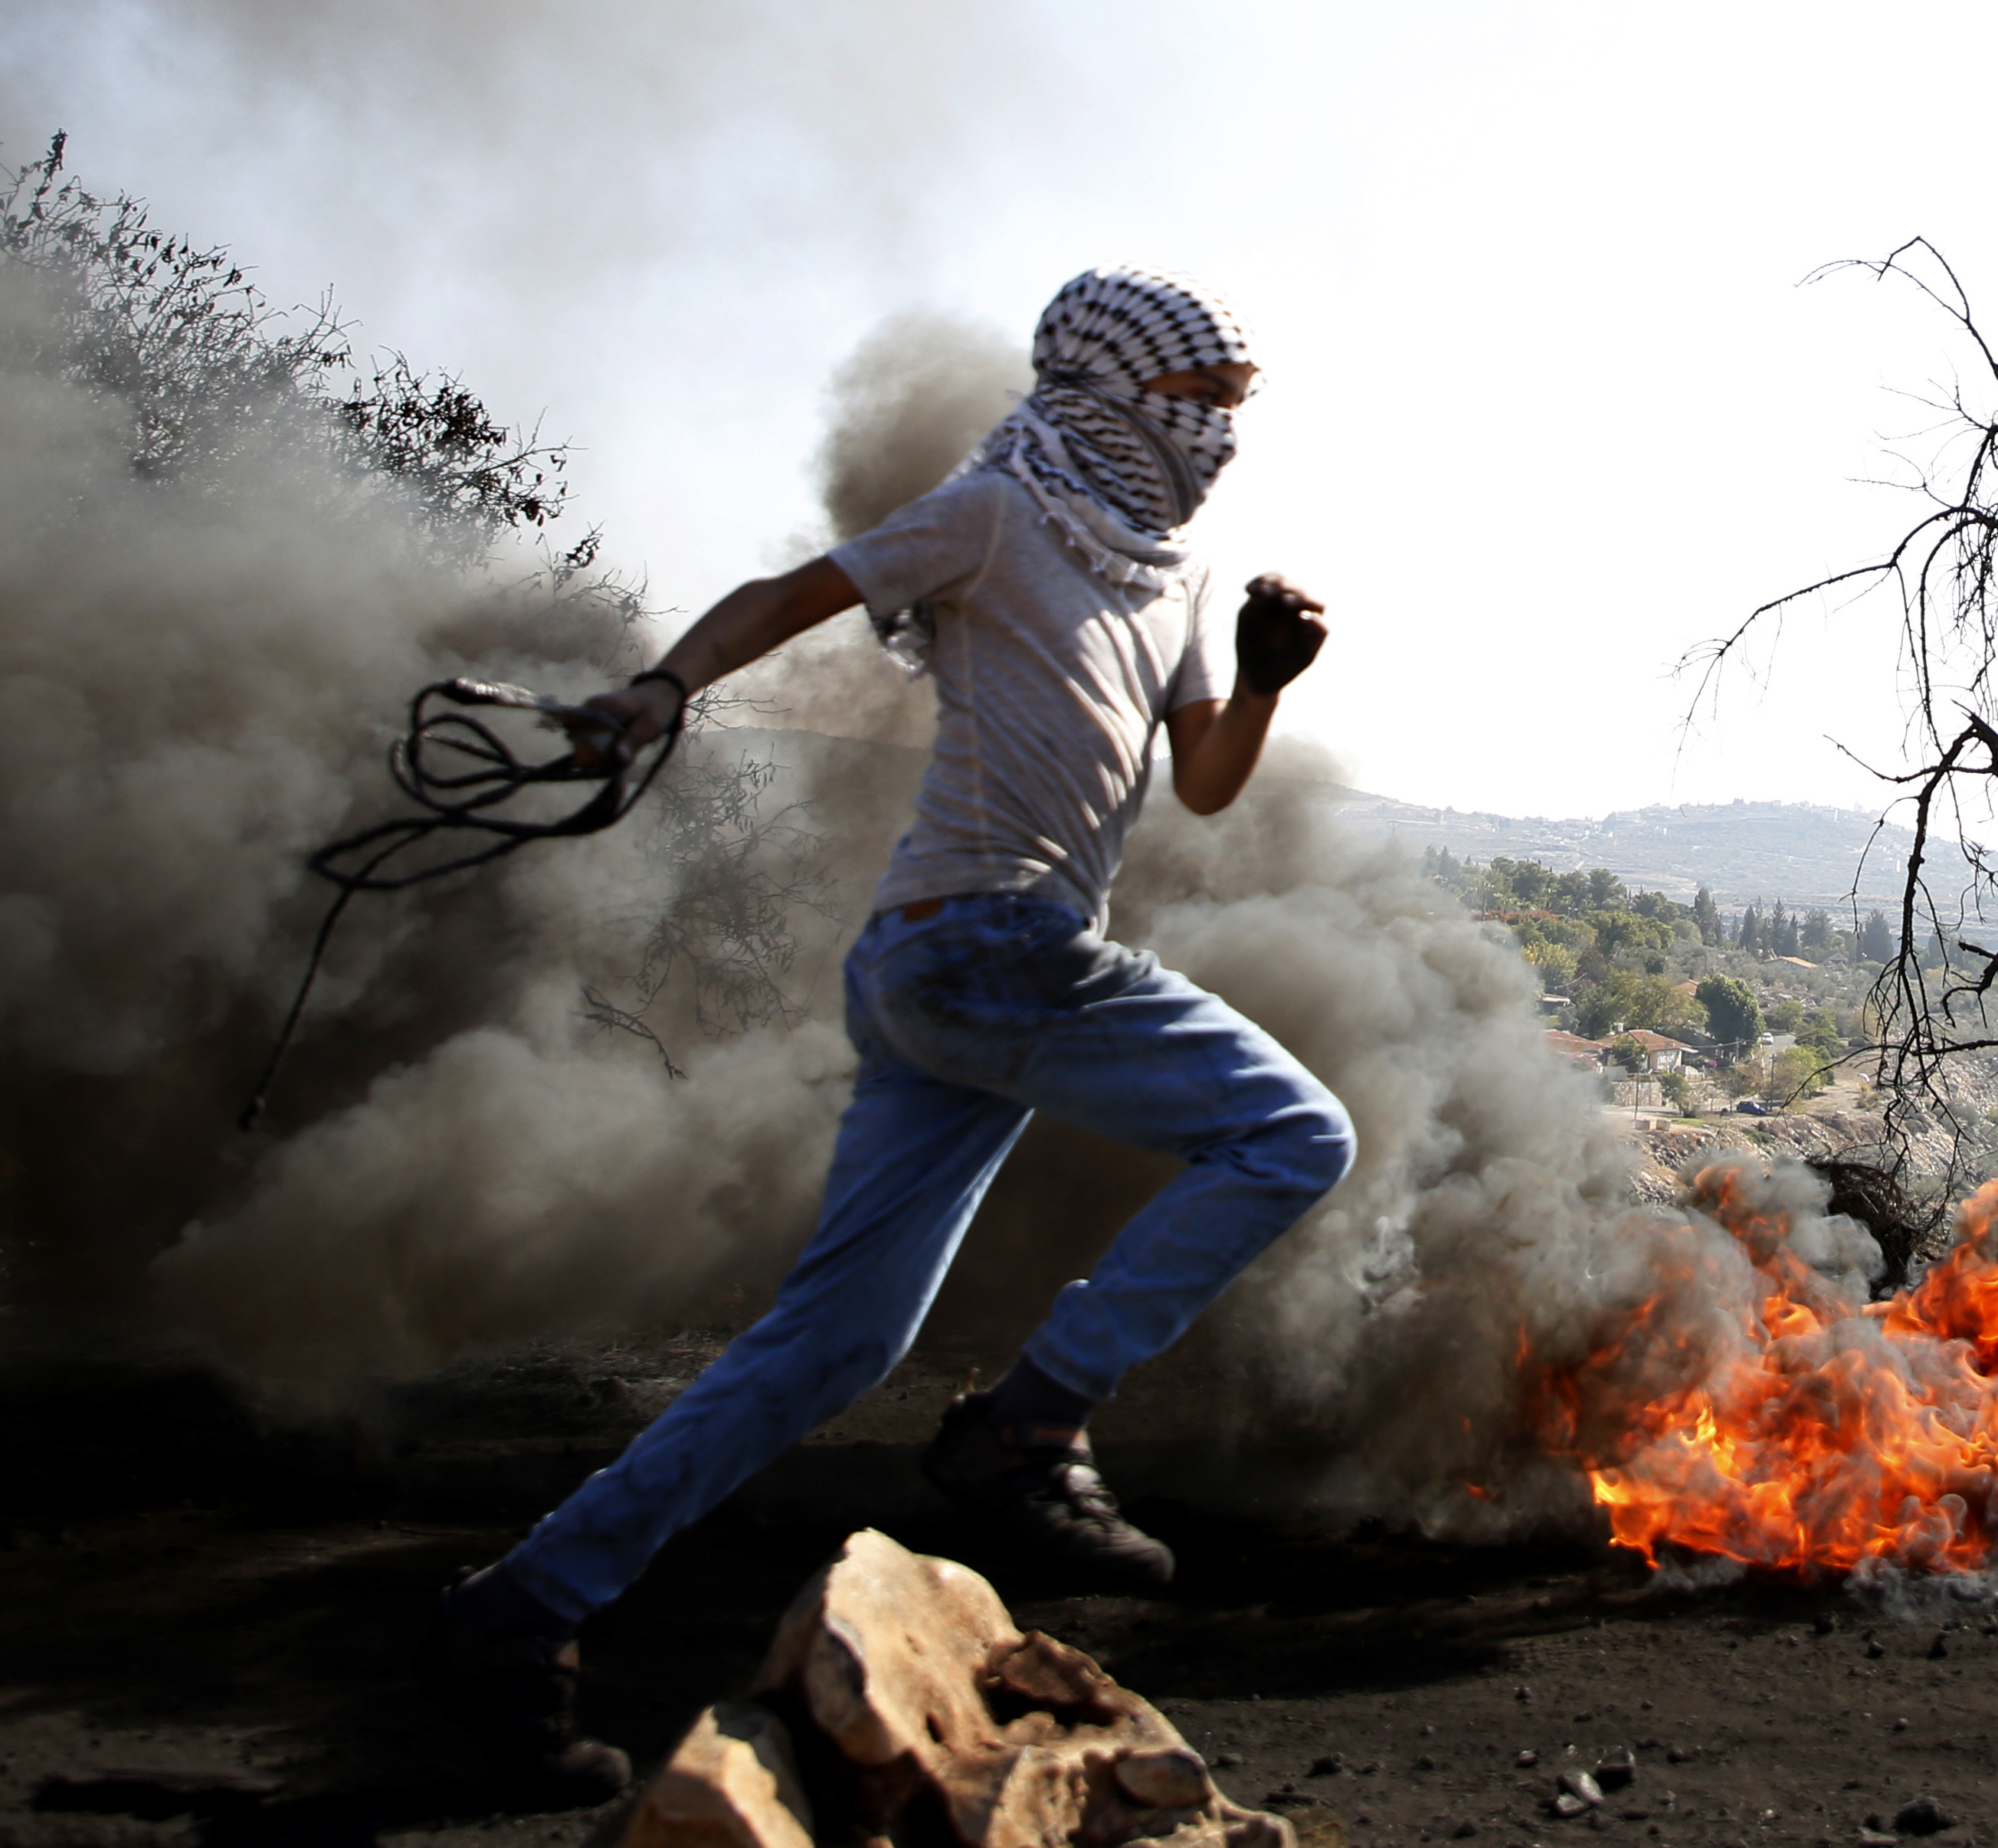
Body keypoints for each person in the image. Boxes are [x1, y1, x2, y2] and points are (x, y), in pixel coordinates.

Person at [418, 266, 1355, 1805]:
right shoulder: (999, 510)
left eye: (1238, 407)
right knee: (1294, 1134)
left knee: (838, 1343)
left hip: (951, 982)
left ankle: (519, 1612)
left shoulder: (1175, 567)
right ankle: (1033, 1422)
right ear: (1114, 389)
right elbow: (801, 593)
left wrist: (1255, 685)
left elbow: (1202, 785)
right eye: (1202, 400)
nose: (1222, 436)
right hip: (984, 946)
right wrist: (662, 689)